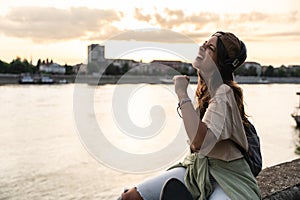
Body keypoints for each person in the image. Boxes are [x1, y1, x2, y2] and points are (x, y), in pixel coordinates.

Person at [118, 31, 261, 200]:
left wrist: (181, 93)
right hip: (199, 168)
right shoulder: (206, 92)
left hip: (229, 175)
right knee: (129, 197)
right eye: (205, 43)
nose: (201, 47)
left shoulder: (224, 92)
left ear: (220, 62)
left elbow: (199, 141)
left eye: (210, 48)